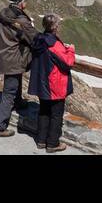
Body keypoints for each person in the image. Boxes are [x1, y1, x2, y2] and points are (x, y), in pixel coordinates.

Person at [0, 0, 36, 138]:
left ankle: (18, 102)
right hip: (13, 59)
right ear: (21, 2)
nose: (27, 3)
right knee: (9, 93)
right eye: (26, 0)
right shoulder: (21, 20)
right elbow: (34, 38)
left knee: (14, 83)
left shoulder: (5, 14)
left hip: (3, 56)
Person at [29, 14, 76, 152]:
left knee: (44, 111)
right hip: (54, 84)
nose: (59, 26)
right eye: (58, 24)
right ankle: (53, 144)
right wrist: (71, 49)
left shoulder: (39, 39)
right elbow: (68, 62)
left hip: (42, 83)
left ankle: (41, 140)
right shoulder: (53, 44)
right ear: (55, 27)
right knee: (56, 115)